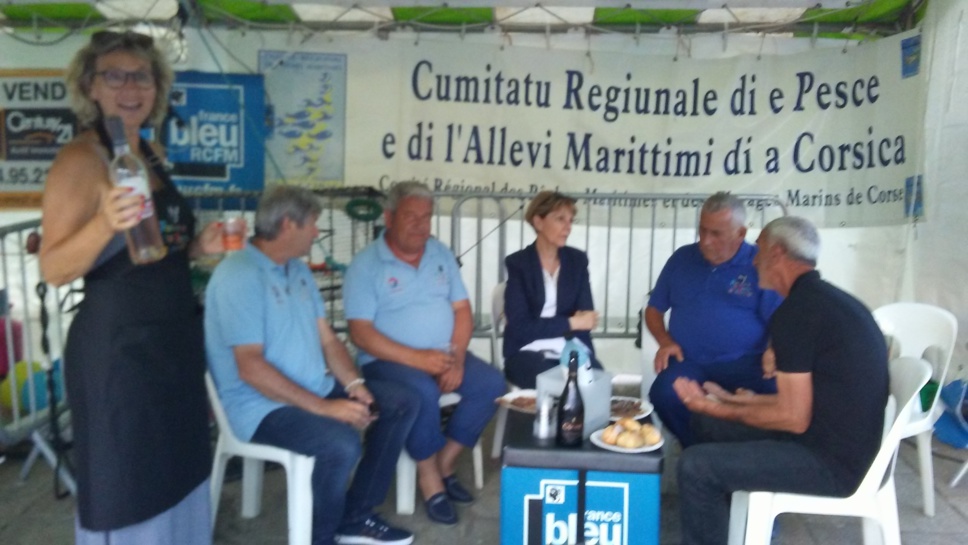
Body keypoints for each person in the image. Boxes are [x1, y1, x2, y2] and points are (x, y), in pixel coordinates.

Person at [39, 30, 223, 544]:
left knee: (178, 472)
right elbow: (53, 268)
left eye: (140, 75)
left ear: (157, 87)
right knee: (128, 483)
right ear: (90, 87)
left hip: (172, 345)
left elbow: (148, 253)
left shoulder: (152, 152)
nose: (129, 87)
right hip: (119, 355)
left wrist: (196, 247)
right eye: (113, 75)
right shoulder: (81, 160)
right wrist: (103, 222)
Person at [204, 186, 417, 545]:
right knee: (341, 444)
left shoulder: (298, 271)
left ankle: (356, 516)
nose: (317, 232)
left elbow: (328, 340)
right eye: (313, 224)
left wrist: (353, 385)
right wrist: (325, 408)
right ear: (288, 224)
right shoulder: (238, 274)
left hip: (311, 387)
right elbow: (250, 368)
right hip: (258, 406)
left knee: (400, 402)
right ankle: (321, 537)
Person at [673, 216, 889, 545]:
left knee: (695, 466)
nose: (753, 258)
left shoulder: (797, 314)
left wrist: (716, 407)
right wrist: (734, 401)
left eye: (758, 250)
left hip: (833, 464)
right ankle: (733, 525)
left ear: (776, 253)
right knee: (705, 425)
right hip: (840, 443)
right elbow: (811, 400)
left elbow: (793, 417)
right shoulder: (829, 303)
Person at [343, 181, 506, 526]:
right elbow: (361, 333)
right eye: (410, 216)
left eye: (426, 217)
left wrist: (458, 357)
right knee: (421, 390)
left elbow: (462, 311)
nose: (420, 224)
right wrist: (419, 361)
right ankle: (430, 480)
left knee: (491, 384)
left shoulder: (440, 253)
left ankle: (445, 464)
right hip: (386, 363)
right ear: (388, 217)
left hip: (442, 354)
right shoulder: (366, 264)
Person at [645, 192, 782, 446]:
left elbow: (783, 318)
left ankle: (748, 453)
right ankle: (699, 449)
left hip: (748, 363)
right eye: (702, 230)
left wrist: (774, 349)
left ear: (740, 233)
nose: (705, 241)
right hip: (690, 362)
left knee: (784, 396)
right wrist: (664, 341)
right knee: (664, 393)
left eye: (716, 234)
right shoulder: (682, 259)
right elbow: (654, 310)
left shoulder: (759, 263)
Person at [502, 191, 602, 389]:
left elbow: (587, 317)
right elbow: (520, 327)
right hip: (527, 350)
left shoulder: (577, 261)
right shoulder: (518, 264)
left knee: (598, 385)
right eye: (560, 219)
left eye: (571, 220)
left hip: (572, 346)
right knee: (561, 385)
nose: (568, 227)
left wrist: (576, 322)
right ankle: (552, 420)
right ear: (538, 222)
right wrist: (572, 321)